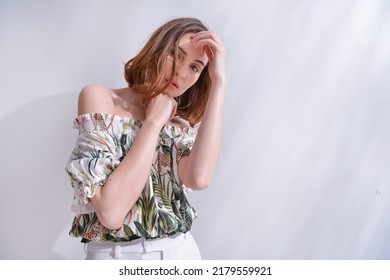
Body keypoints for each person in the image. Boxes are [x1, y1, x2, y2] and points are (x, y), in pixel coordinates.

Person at [65, 17, 226, 260]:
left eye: (195, 67)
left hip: (181, 253)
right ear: (158, 49)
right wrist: (152, 123)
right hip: (115, 256)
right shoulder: (101, 99)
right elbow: (111, 212)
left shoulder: (178, 126)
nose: (181, 73)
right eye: (177, 55)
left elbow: (199, 178)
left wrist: (219, 83)